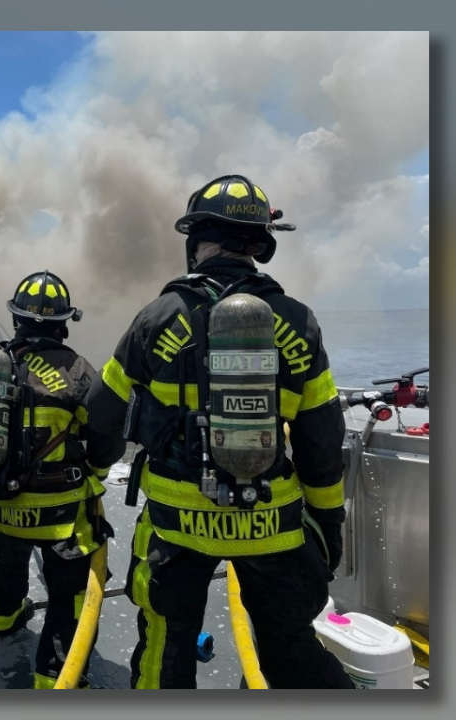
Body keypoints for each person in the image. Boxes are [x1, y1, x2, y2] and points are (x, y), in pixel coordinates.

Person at [83, 175, 355, 689]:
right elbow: (322, 438)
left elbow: (103, 412)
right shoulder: (298, 321)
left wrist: (95, 476)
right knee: (289, 642)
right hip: (272, 523)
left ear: (195, 242)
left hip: (177, 526)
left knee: (167, 641)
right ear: (257, 245)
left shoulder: (157, 318)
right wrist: (328, 522)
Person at [0, 270, 113, 689]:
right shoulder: (80, 372)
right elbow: (104, 440)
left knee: (5, 563)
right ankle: (55, 681)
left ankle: (0, 623)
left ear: (16, 319)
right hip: (61, 515)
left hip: (0, 505)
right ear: (64, 322)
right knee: (70, 595)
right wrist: (98, 474)